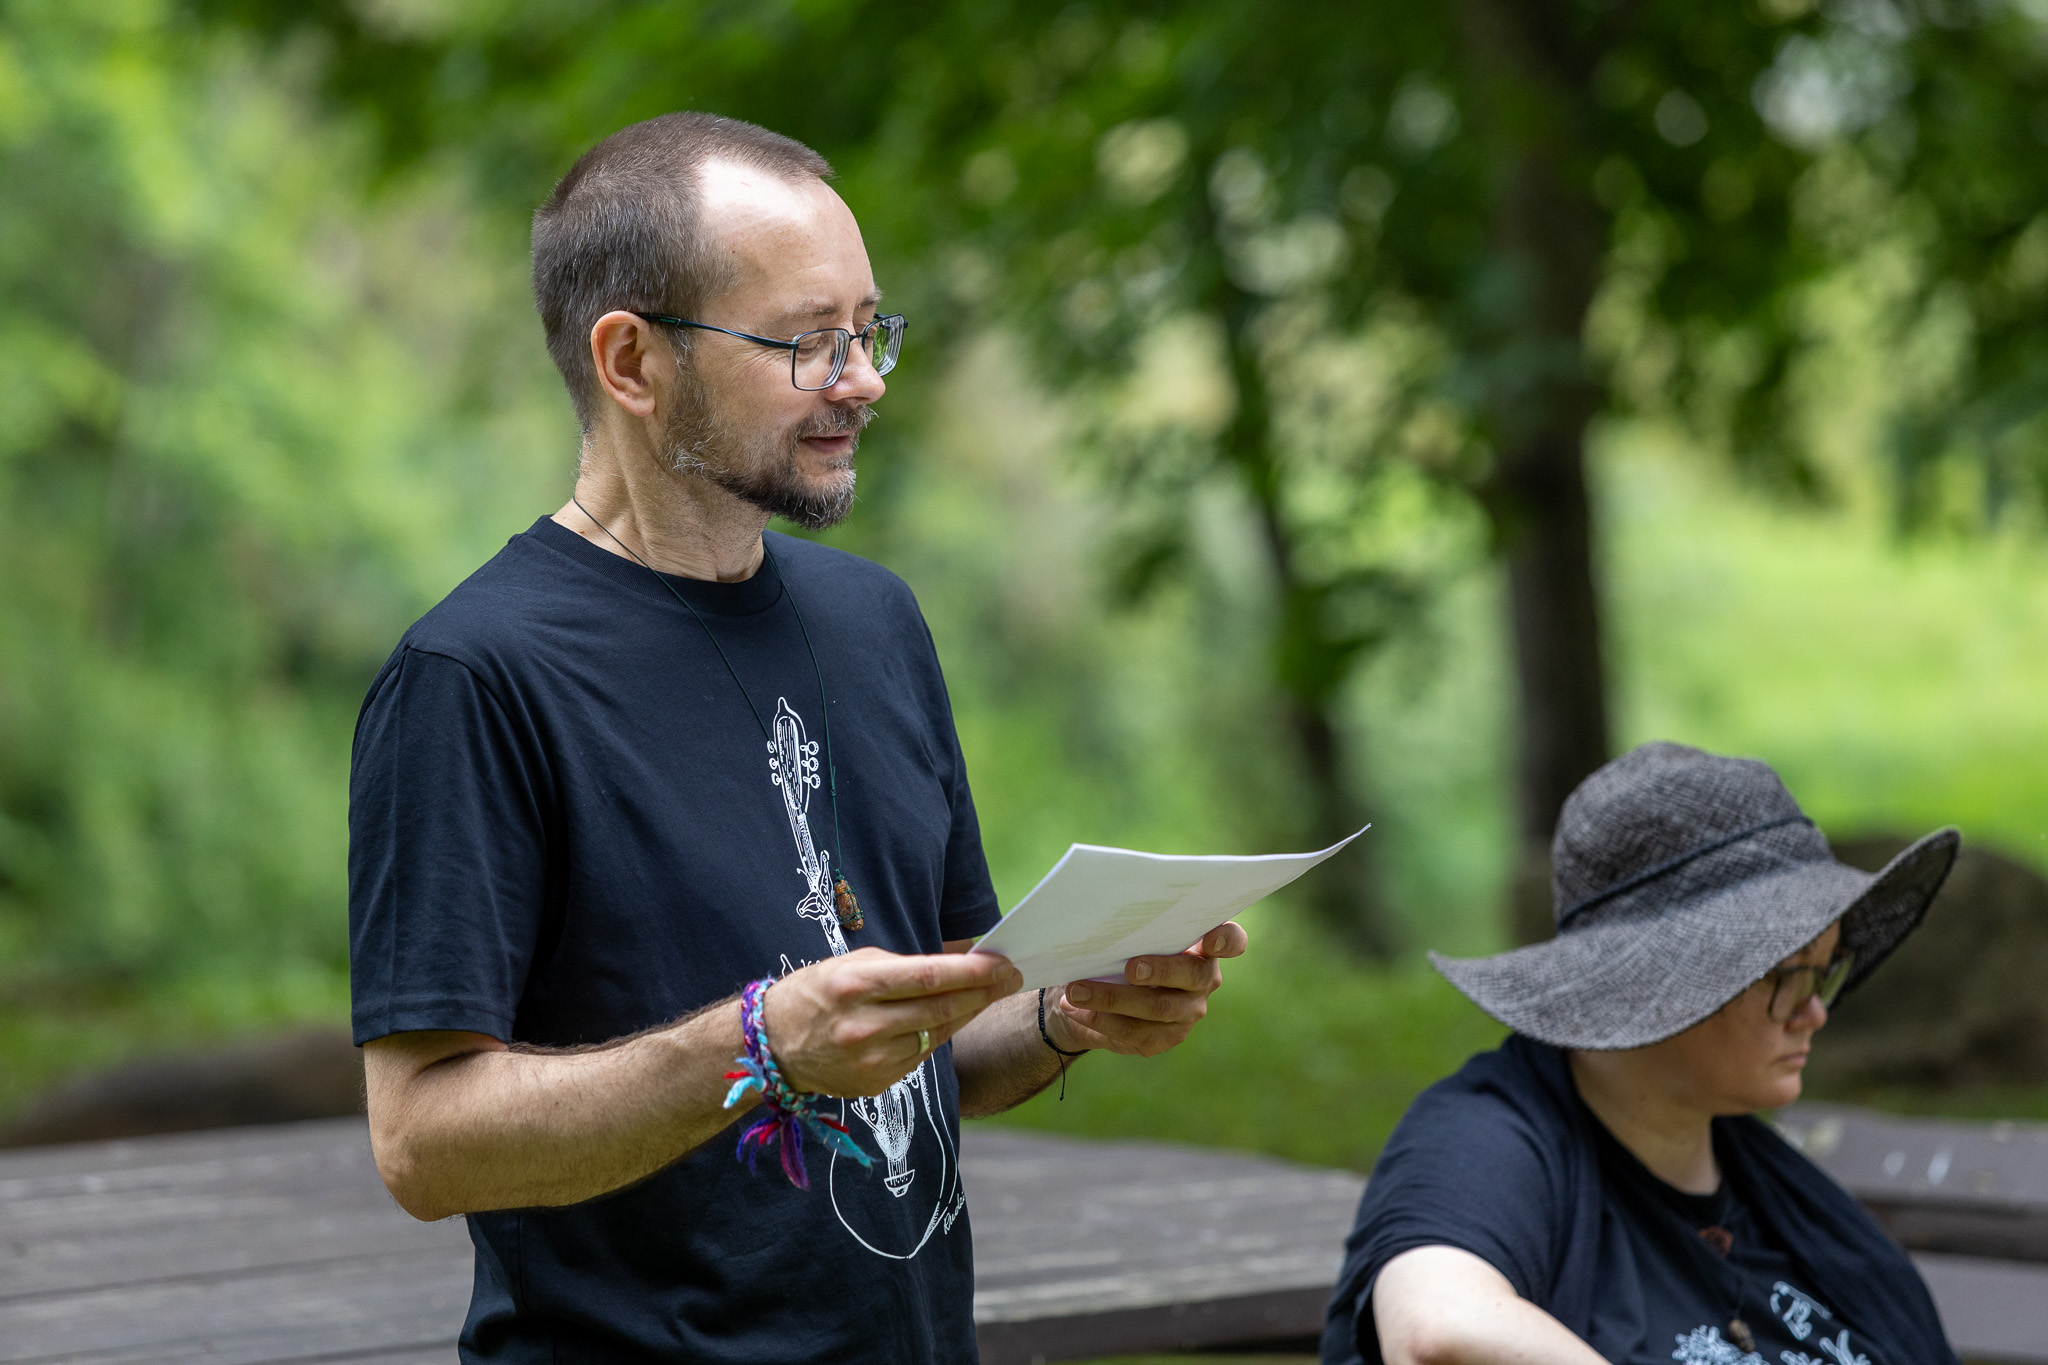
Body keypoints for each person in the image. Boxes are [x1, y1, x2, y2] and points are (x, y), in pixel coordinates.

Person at [348, 112, 1247, 1364]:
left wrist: (1064, 1012)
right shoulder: (474, 677)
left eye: (869, 330)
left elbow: (922, 1045)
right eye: (807, 342)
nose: (863, 379)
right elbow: (422, 1144)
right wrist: (756, 1048)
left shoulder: (874, 622)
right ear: (631, 361)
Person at [1321, 741, 1961, 1365]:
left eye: (1825, 973)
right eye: (1787, 976)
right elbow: (1437, 1330)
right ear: (1666, 985)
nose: (1814, 1012)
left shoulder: (1784, 1198)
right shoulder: (1487, 1135)